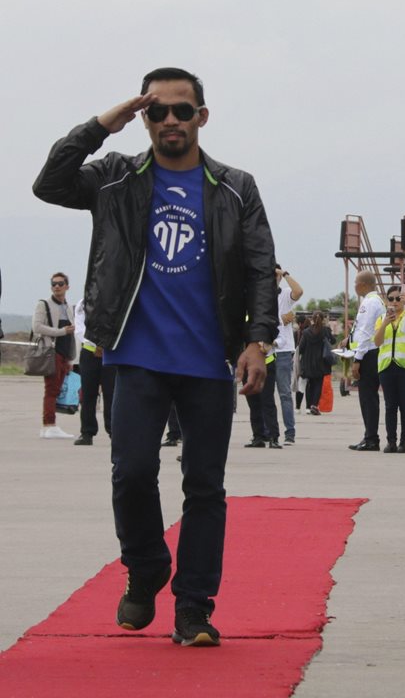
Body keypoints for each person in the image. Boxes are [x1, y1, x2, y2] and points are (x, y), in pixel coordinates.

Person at [33, 66, 276, 648]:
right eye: (157, 111)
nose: (170, 121)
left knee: (204, 486)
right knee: (132, 473)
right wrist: (99, 126)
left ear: (202, 117)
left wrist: (256, 340)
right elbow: (49, 183)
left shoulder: (236, 186)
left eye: (181, 110)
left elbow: (260, 265)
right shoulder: (116, 178)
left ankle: (194, 608)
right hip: (134, 356)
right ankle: (145, 569)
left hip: (206, 361)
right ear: (142, 117)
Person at [373, 285, 405, 453]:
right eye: (391, 299)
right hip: (386, 366)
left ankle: (404, 441)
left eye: (398, 298)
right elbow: (377, 342)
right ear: (387, 301)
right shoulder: (381, 318)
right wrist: (385, 322)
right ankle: (391, 441)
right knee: (390, 406)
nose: (395, 302)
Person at [34, 273, 76, 439]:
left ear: (67, 286)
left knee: (57, 389)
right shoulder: (43, 304)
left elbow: (73, 335)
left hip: (65, 354)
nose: (57, 286)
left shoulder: (68, 307)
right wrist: (61, 331)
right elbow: (37, 327)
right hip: (51, 352)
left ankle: (49, 425)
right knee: (51, 389)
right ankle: (49, 424)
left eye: (60, 283)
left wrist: (72, 358)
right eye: (54, 284)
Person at [348, 270, 385, 451]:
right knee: (368, 397)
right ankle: (369, 435)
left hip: (368, 355)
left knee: (368, 397)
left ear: (363, 284)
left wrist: (357, 359)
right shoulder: (374, 301)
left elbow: (365, 332)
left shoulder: (369, 303)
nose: (354, 286)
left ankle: (371, 438)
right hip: (371, 353)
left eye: (356, 282)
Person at [73, 299, 115, 445]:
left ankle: (113, 431)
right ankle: (87, 432)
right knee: (88, 394)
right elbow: (79, 328)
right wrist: (96, 343)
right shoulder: (84, 302)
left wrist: (104, 345)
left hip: (110, 352)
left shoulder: (115, 298)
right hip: (90, 352)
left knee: (111, 394)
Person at [272, 265, 303, 445]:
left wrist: (284, 274)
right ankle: (267, 431)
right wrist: (280, 319)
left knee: (284, 393)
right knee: (265, 394)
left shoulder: (284, 294)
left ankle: (289, 432)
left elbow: (298, 291)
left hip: (282, 352)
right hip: (265, 350)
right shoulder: (259, 296)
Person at [297, 311, 334, 414]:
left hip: (308, 362)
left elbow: (301, 347)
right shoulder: (325, 331)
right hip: (321, 362)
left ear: (312, 319)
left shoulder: (306, 332)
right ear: (323, 319)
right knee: (318, 384)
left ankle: (308, 407)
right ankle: (314, 405)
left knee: (309, 384)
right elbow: (333, 341)